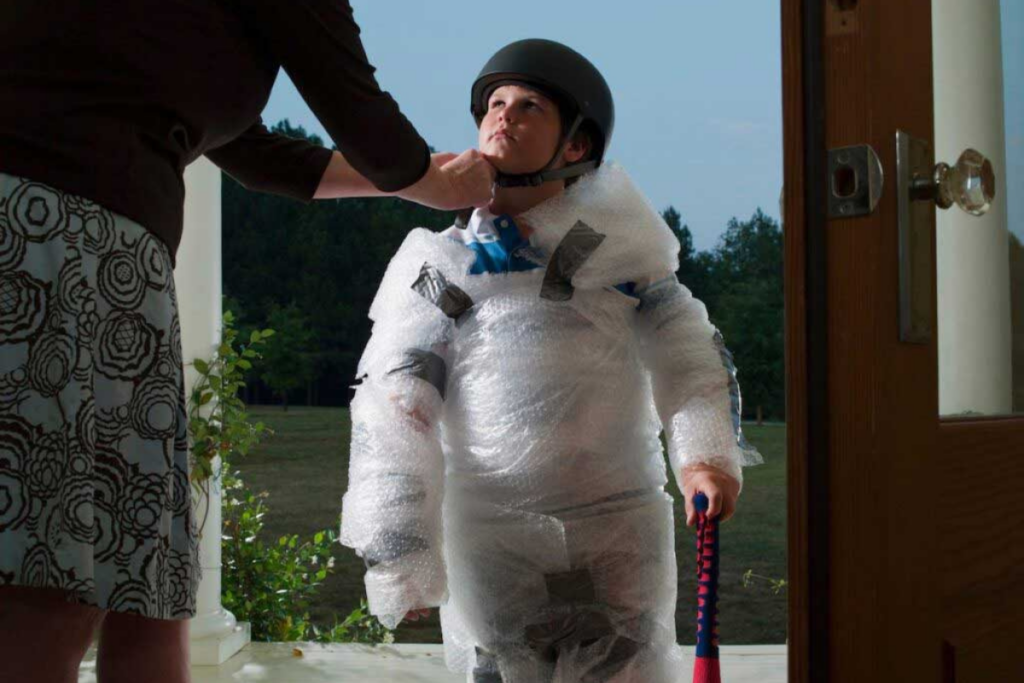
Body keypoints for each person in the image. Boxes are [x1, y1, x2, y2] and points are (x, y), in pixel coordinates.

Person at [0, 2, 495, 682]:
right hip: (56, 250)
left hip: (97, 265)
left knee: (147, 580)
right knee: (51, 579)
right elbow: (361, 113)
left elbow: (245, 149)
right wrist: (428, 178)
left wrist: (416, 184)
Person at [340, 38, 763, 682]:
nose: (502, 116)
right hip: (492, 539)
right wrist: (399, 547)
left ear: (576, 146)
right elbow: (395, 404)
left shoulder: (618, 254)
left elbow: (687, 355)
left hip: (615, 529)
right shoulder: (440, 268)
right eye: (494, 103)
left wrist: (704, 459)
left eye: (529, 105)